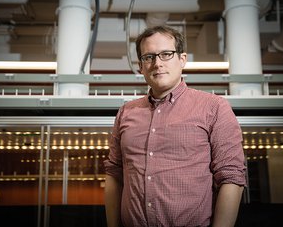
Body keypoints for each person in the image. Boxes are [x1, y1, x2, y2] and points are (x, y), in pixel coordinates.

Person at [104, 25, 246, 227]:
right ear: (141, 66)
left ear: (182, 59)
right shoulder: (126, 112)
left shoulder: (214, 107)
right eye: (149, 57)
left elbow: (232, 177)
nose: (157, 63)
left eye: (166, 54)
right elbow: (114, 175)